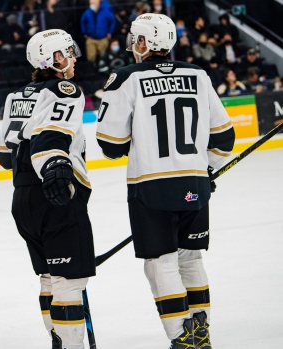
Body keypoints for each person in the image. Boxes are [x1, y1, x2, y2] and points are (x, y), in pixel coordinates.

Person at [96, 14, 235, 349]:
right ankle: (201, 333)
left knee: (161, 263)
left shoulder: (126, 78)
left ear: (144, 43)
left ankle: (182, 337)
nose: (133, 44)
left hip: (151, 187)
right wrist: (207, 170)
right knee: (190, 258)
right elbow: (226, 138)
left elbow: (110, 146)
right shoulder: (199, 75)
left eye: (135, 39)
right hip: (195, 184)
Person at [0, 29, 95, 349]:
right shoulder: (66, 89)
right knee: (69, 282)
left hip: (22, 197)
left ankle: (58, 341)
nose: (74, 58)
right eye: (68, 52)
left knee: (50, 278)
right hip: (56, 192)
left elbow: (3, 155)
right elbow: (51, 136)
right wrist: (54, 167)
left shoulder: (16, 96)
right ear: (53, 59)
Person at [80, 0, 116, 64]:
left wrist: (110, 32)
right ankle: (92, 70)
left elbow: (112, 21)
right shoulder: (87, 12)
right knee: (91, 57)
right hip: (91, 38)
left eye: (93, 3)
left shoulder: (106, 12)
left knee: (103, 56)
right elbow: (82, 21)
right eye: (91, 3)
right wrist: (84, 32)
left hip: (102, 38)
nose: (92, 5)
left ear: (98, 3)